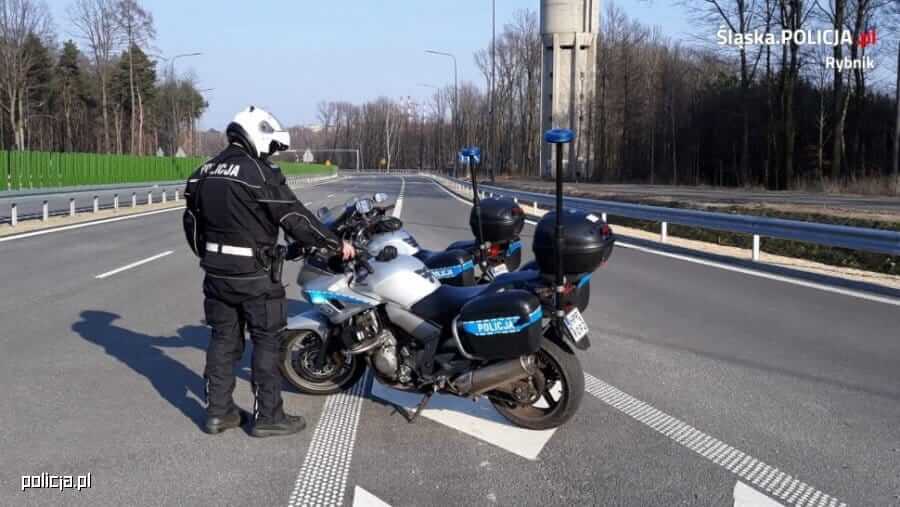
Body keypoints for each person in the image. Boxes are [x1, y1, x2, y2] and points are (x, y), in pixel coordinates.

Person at [183, 106, 355, 437]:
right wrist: (335, 245)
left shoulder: (203, 172)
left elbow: (191, 225)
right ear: (257, 134)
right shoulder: (259, 173)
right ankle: (268, 417)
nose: (273, 152)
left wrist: (209, 257)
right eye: (272, 145)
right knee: (266, 342)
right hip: (255, 276)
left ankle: (218, 414)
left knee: (222, 340)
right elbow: (295, 218)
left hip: (216, 275)